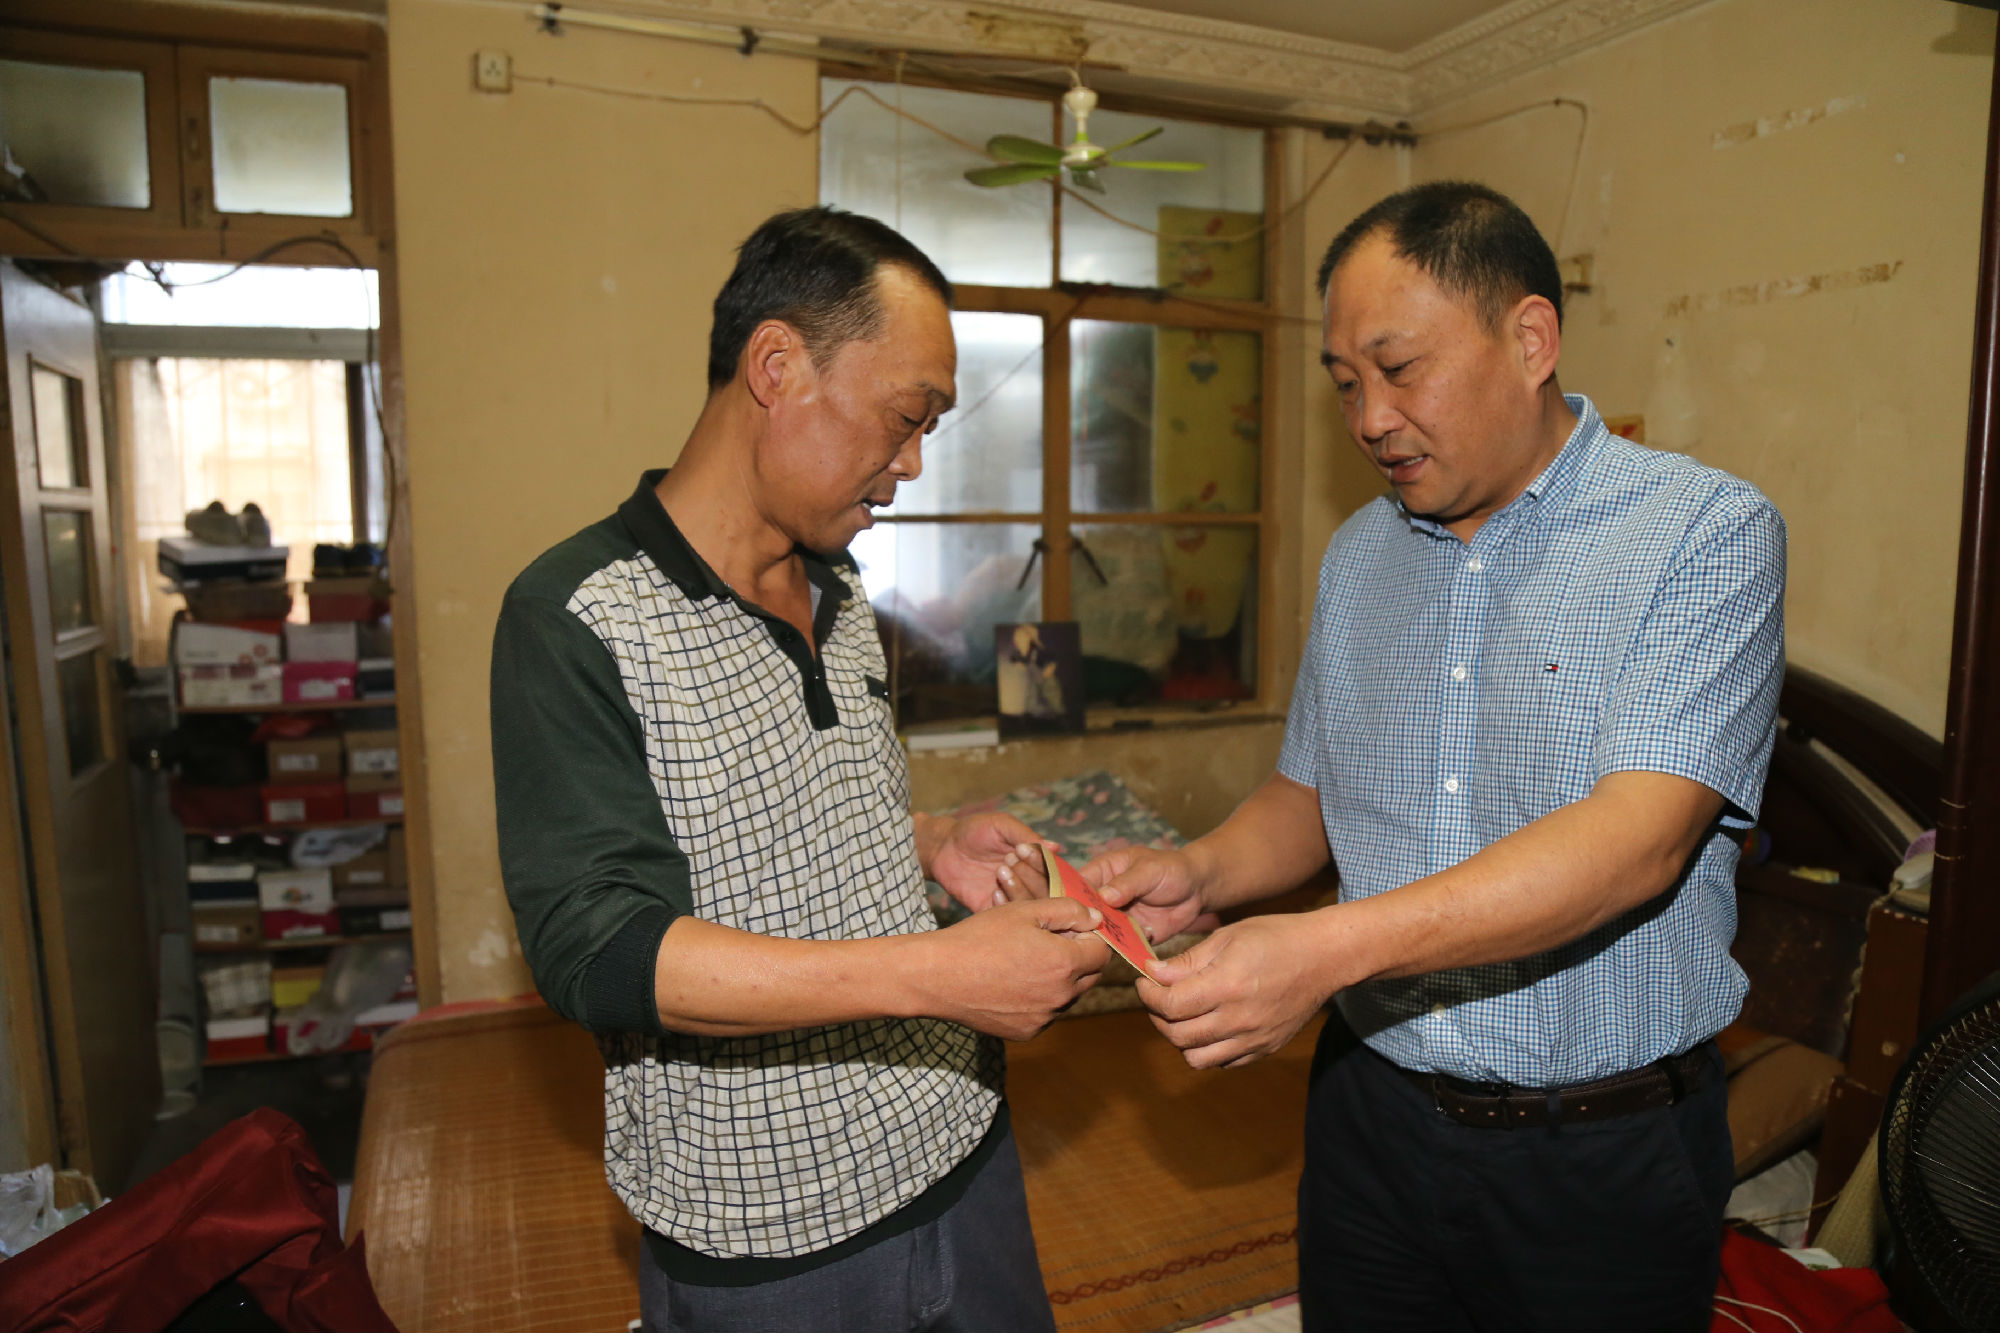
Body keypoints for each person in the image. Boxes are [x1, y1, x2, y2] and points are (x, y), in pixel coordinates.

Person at [1076, 181, 1787, 1331]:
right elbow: (1310, 793)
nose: (1368, 418)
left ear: (1529, 339)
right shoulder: (1360, 554)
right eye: (1343, 383)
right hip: (1371, 1118)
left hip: (1597, 1146)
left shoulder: (1700, 535)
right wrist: (1199, 872)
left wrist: (1324, 949)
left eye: (1398, 369)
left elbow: (1634, 844)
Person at [490, 206, 1109, 1333]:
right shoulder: (579, 615)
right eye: (904, 418)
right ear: (776, 366)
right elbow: (601, 948)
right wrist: (938, 975)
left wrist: (929, 841)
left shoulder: (840, 588)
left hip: (959, 1142)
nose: (910, 464)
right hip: (772, 1235)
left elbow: (775, 820)